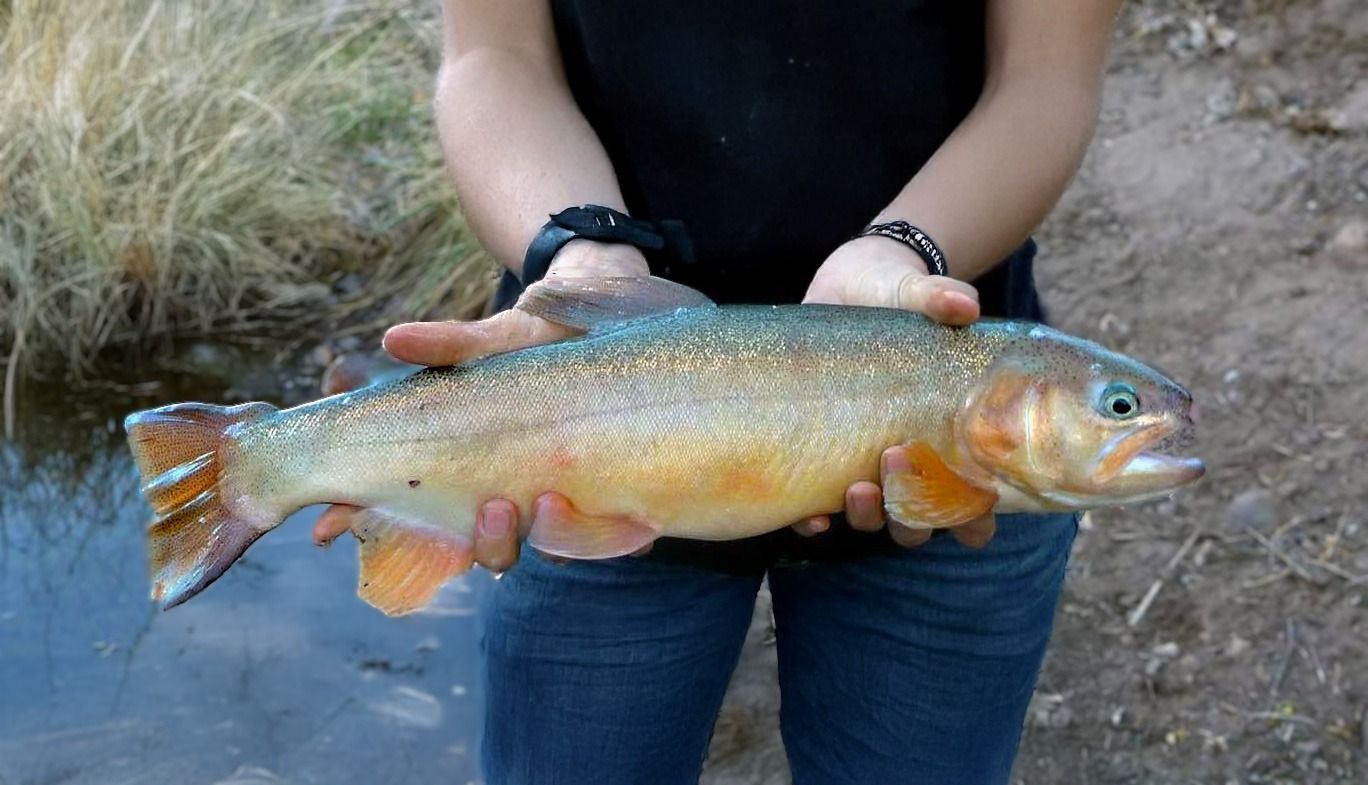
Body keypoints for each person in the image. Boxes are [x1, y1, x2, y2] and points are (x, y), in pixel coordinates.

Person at [319, 1, 1121, 782]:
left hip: (945, 366)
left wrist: (905, 247)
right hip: (577, 391)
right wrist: (582, 253)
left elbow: (1044, 77)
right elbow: (495, 57)